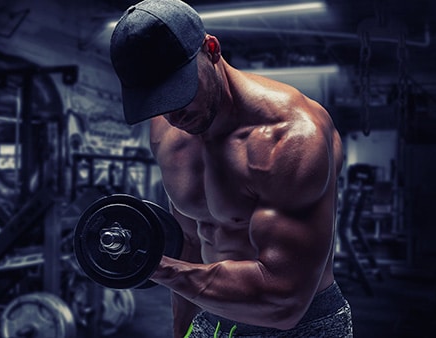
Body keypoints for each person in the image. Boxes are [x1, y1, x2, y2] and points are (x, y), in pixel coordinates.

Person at [109, 0, 352, 337]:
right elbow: (190, 241)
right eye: (159, 102)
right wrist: (181, 329)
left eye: (179, 94)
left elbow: (284, 302)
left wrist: (152, 266)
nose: (173, 116)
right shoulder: (167, 132)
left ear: (211, 50)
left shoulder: (292, 136)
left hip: (302, 325)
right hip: (211, 318)